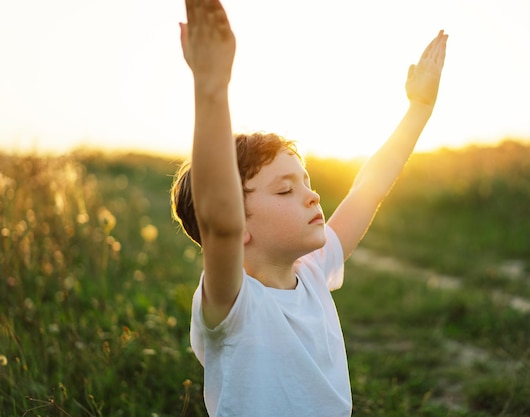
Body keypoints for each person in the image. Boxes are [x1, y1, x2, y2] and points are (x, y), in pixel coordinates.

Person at [171, 0, 447, 415]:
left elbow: (368, 189)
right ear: (239, 226)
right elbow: (220, 221)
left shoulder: (313, 270)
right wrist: (211, 85)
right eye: (285, 191)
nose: (311, 196)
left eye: (307, 183)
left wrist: (419, 110)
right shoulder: (232, 304)